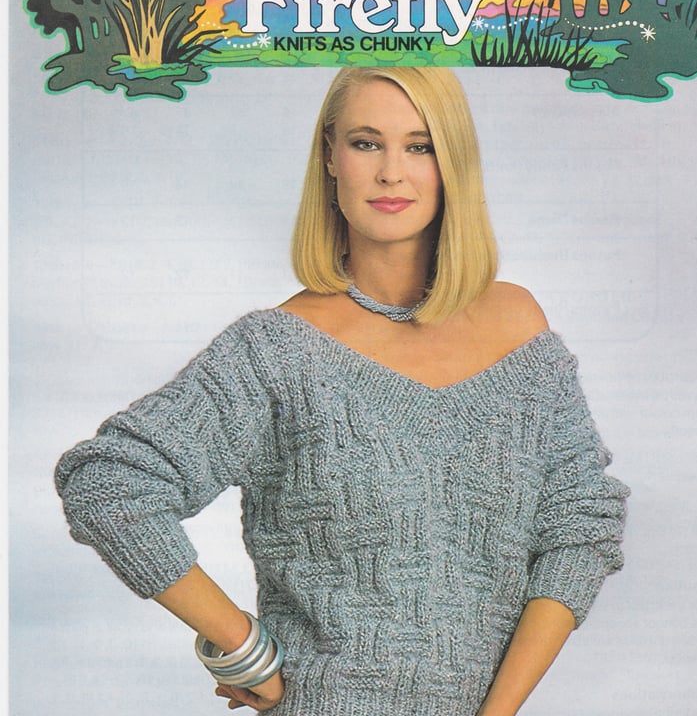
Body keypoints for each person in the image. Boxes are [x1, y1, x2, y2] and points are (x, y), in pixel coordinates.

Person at [55, 67, 629, 716]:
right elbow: (108, 484)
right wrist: (240, 647)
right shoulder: (277, 353)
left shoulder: (518, 329)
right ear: (330, 157)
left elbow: (580, 528)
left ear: (453, 162)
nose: (391, 172)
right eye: (366, 143)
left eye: (420, 146)